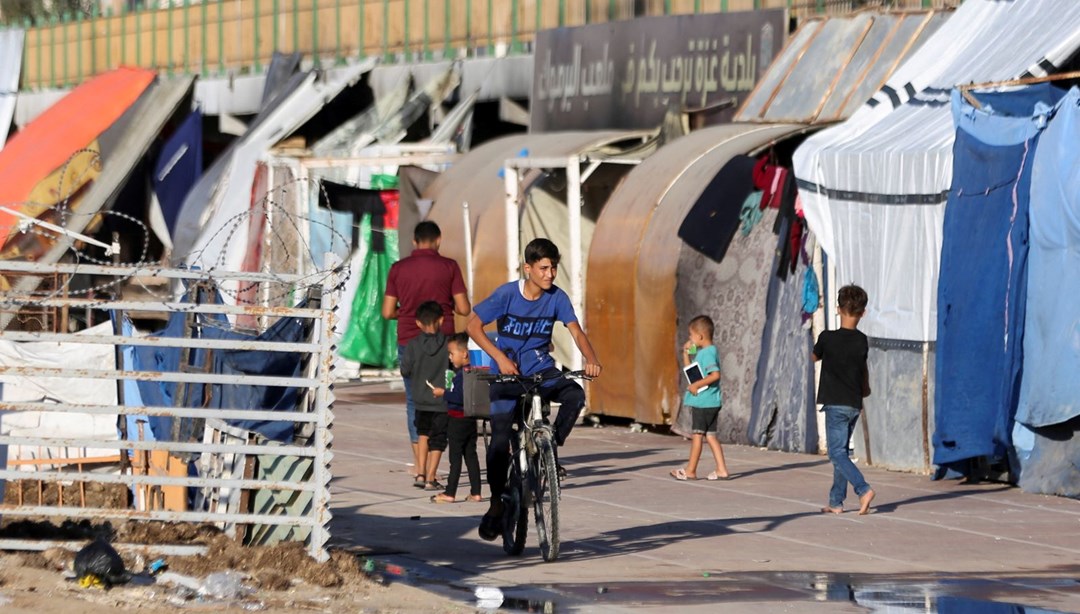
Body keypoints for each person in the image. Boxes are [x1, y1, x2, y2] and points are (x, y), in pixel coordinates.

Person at [465, 238, 602, 543]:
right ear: (528, 268)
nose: (550, 274)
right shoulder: (507, 295)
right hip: (507, 374)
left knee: (574, 394)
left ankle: (550, 447)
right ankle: (497, 503)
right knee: (499, 441)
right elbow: (472, 326)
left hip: (541, 369)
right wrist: (499, 358)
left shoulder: (557, 298)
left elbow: (575, 331)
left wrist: (591, 359)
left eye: (553, 267)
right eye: (543, 268)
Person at [382, 221, 470, 487]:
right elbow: (464, 309)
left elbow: (387, 312)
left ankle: (419, 468)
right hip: (446, 344)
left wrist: (408, 314)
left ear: (414, 241)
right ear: (438, 240)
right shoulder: (449, 267)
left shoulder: (398, 269)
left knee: (414, 402)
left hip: (410, 340)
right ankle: (434, 469)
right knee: (446, 400)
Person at [812, 284, 876, 515]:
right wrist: (865, 389)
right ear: (863, 313)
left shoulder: (827, 338)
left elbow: (814, 356)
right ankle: (836, 501)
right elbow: (863, 369)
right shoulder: (862, 341)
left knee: (836, 453)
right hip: (854, 402)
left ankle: (863, 489)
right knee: (842, 453)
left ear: (838, 309)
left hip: (835, 403)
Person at [669, 315, 730, 481]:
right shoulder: (706, 352)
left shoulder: (708, 354)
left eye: (691, 335)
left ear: (700, 336)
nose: (690, 338)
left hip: (703, 402)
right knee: (711, 436)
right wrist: (686, 354)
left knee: (697, 436)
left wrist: (696, 386)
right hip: (711, 401)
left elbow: (714, 374)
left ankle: (690, 470)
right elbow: (692, 372)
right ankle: (721, 469)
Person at [399, 301, 450, 492]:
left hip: (420, 400)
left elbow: (405, 370)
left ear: (418, 323)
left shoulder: (412, 345)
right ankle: (431, 477)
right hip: (442, 401)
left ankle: (420, 473)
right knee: (438, 439)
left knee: (423, 434)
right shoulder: (448, 344)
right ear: (442, 320)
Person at [430, 333, 484, 504]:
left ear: (465, 354)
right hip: (470, 419)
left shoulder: (462, 375)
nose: (450, 357)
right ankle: (476, 492)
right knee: (471, 456)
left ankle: (450, 492)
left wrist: (443, 393)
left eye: (452, 353)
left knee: (455, 458)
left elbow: (460, 397)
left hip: (457, 420)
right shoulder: (472, 372)